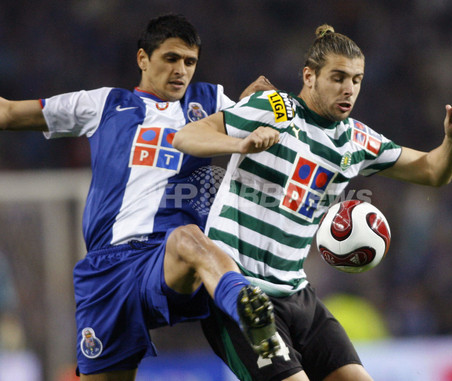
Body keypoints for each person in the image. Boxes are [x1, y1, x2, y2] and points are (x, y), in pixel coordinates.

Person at [172, 24, 452, 381]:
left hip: (298, 293)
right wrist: (240, 144)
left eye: (357, 80)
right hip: (241, 295)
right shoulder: (273, 108)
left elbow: (433, 171)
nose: (349, 89)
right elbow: (187, 135)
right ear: (309, 76)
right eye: (338, 77)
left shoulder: (356, 139)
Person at [0, 14, 281, 380]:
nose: (181, 70)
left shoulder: (210, 101)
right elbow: (7, 112)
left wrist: (266, 105)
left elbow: (271, 121)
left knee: (188, 238)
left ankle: (247, 306)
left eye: (190, 61)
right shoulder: (101, 104)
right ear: (143, 59)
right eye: (171, 58)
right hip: (106, 269)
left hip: (167, 257)